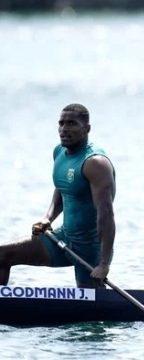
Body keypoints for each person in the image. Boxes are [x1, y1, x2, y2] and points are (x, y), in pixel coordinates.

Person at [0, 103, 116, 288]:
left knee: (91, 311)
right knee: (2, 255)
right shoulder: (59, 152)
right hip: (63, 238)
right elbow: (64, 188)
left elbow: (106, 215)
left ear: (87, 129)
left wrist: (103, 264)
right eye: (61, 123)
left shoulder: (95, 164)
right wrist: (48, 218)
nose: (64, 129)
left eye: (71, 124)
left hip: (90, 250)